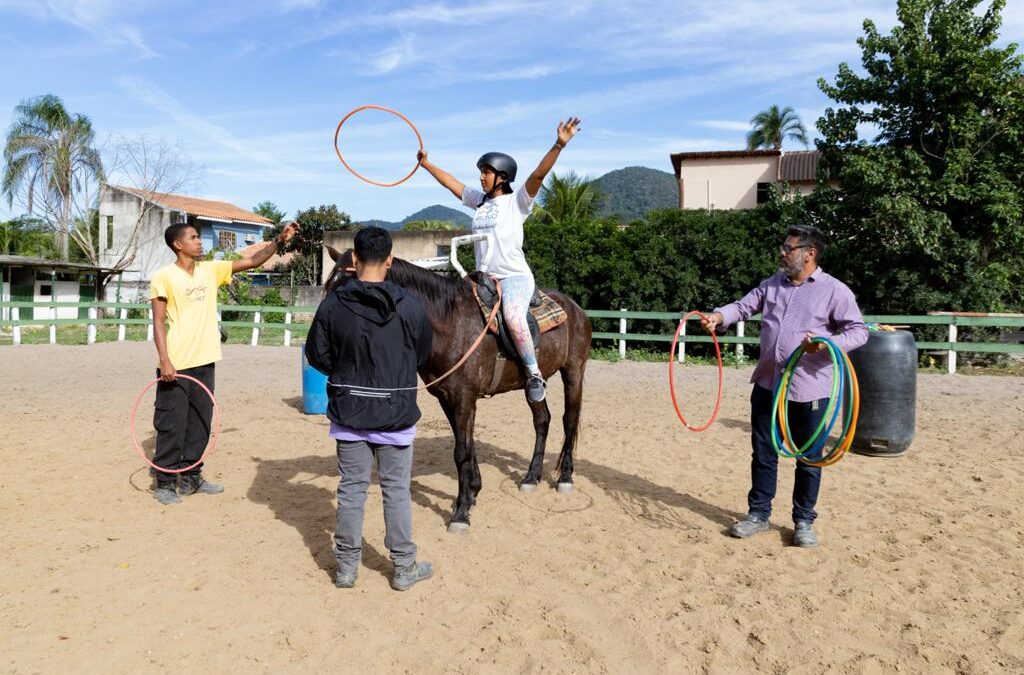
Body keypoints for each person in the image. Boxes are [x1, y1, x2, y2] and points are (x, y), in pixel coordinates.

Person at [701, 224, 867, 548]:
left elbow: (859, 331)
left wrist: (827, 344)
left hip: (810, 389)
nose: (782, 252)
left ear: (809, 253)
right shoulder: (771, 285)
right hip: (768, 385)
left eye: (788, 248)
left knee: (808, 457)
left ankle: (803, 520)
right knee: (763, 453)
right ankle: (758, 514)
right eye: (783, 247)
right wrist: (720, 317)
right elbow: (743, 306)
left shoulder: (835, 290)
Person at [416, 117, 581, 403]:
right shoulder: (480, 202)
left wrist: (558, 145)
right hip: (482, 278)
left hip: (513, 277)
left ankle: (533, 374)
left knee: (514, 317)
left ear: (502, 177)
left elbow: (538, 176)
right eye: (481, 172)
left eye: (487, 172)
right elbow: (452, 185)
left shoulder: (518, 202)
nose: (481, 177)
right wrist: (426, 164)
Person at [305, 226, 434, 591]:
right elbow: (422, 354)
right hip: (396, 413)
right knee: (396, 490)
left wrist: (347, 373)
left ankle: (346, 568)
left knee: (351, 490)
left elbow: (318, 355)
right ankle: (404, 568)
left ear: (355, 260)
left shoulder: (332, 304)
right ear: (390, 260)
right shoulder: (410, 306)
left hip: (349, 413)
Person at [149, 219, 297, 505]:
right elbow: (157, 321)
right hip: (177, 362)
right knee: (171, 422)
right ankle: (165, 482)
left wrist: (280, 240)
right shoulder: (163, 276)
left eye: (198, 237)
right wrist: (165, 360)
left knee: (201, 422)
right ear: (178, 244)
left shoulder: (210, 270)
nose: (200, 241)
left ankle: (192, 477)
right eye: (193, 237)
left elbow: (254, 260)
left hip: (206, 359)